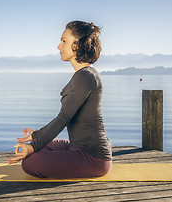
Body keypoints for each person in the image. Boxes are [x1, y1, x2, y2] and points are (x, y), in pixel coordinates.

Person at [7, 20, 112, 179]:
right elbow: (63, 116)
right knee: (43, 144)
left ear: (77, 44)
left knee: (30, 162)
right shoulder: (83, 74)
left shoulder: (86, 77)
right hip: (77, 148)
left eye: (64, 41)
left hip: (93, 158)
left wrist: (33, 147)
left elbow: (63, 118)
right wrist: (36, 135)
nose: (58, 46)